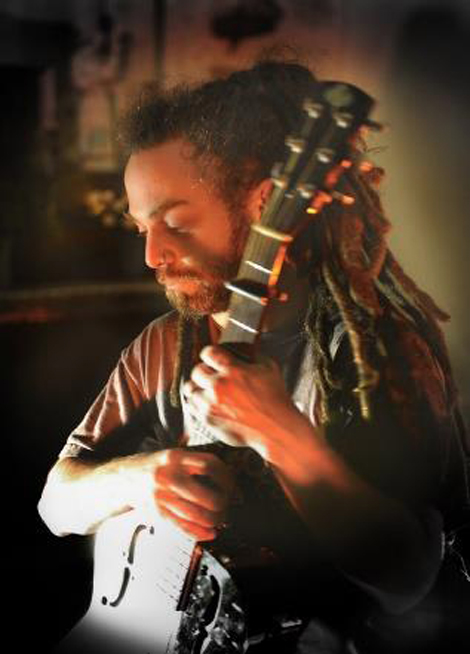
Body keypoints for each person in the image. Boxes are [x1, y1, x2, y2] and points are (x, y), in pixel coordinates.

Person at [38, 60, 469, 653]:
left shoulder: (371, 357)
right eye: (142, 229)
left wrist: (278, 432)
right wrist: (143, 477)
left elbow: (406, 580)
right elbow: (56, 502)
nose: (153, 256)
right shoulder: (164, 343)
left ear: (264, 203)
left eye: (175, 222)